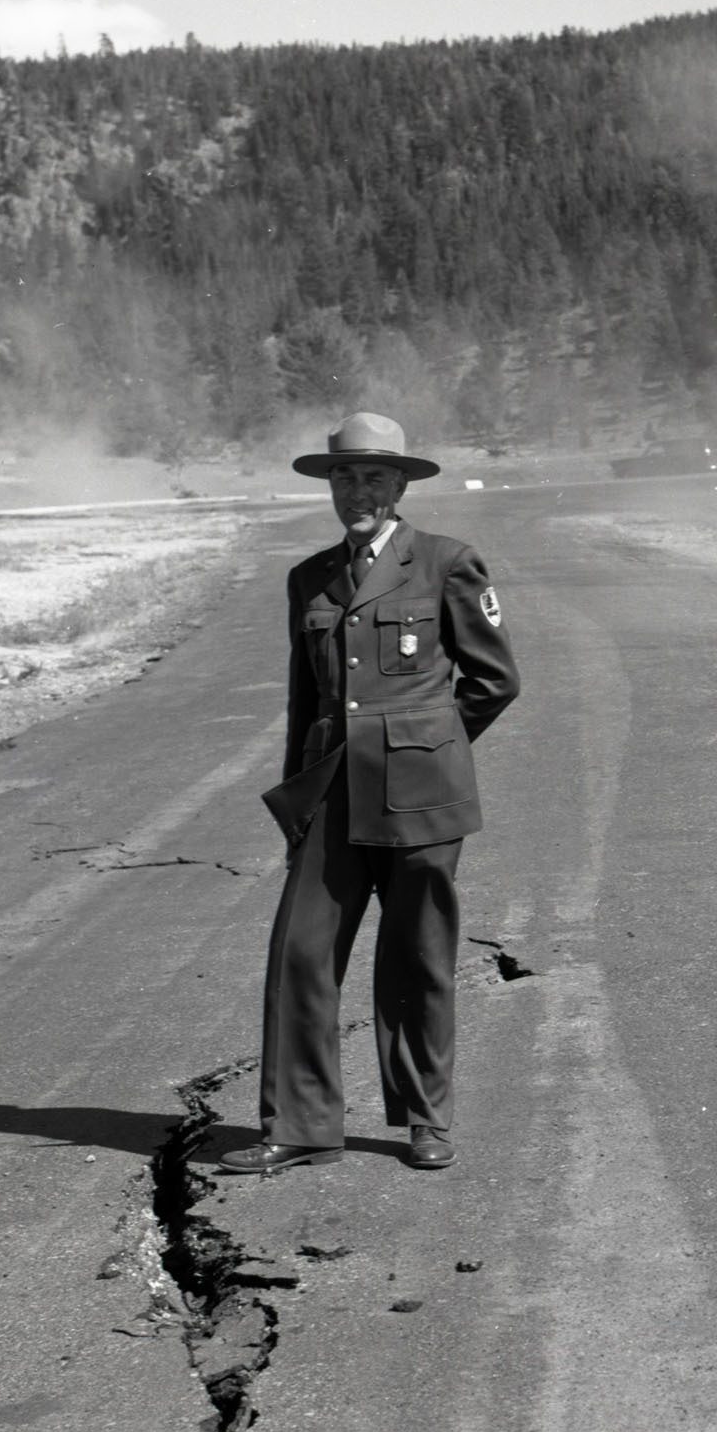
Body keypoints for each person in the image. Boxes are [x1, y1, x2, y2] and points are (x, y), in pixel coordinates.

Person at [221, 412, 520, 1175]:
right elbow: (306, 700)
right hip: (330, 794)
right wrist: (296, 801)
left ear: (398, 488)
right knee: (300, 953)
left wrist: (428, 745)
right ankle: (301, 1126)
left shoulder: (446, 562)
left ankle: (426, 1120)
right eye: (345, 477)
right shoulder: (309, 579)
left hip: (420, 793)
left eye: (374, 479)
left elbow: (494, 682)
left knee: (416, 957)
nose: (358, 491)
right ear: (330, 486)